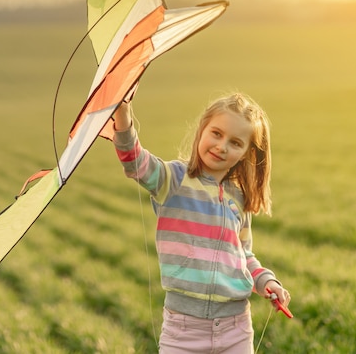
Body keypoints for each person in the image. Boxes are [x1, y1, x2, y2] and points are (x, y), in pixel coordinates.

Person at [113, 93, 291, 354]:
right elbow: (135, 161)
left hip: (236, 328)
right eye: (216, 133)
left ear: (245, 154)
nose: (222, 146)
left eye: (235, 143)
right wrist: (123, 115)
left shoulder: (238, 198)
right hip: (183, 330)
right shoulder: (173, 180)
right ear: (202, 130)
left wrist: (266, 281)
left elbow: (243, 255)